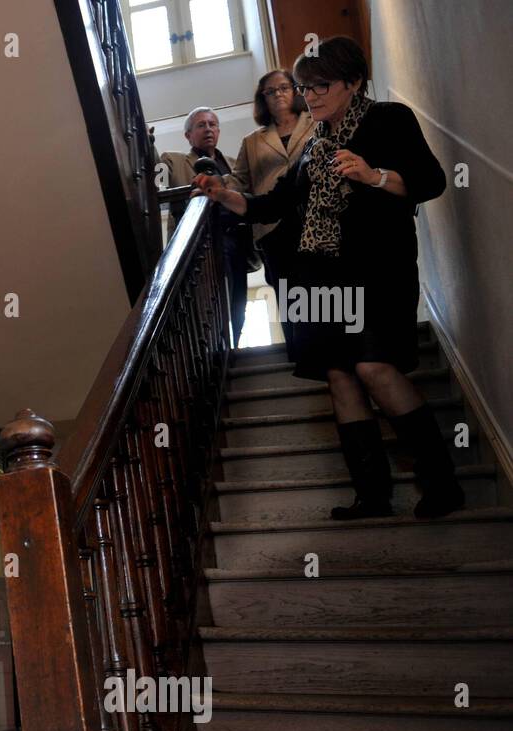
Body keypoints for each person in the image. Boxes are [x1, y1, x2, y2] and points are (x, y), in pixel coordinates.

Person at [193, 37, 459, 519]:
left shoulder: (388, 119)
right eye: (303, 87)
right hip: (317, 275)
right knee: (338, 374)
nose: (309, 96)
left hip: (379, 269)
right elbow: (274, 206)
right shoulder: (316, 146)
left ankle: (440, 482)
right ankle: (372, 496)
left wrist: (373, 175)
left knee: (374, 367)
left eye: (321, 86)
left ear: (353, 82)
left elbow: (431, 181)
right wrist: (223, 196)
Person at [228, 69, 317, 346]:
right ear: (262, 99)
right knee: (287, 288)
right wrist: (215, 187)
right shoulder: (252, 141)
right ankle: (298, 348)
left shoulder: (316, 122)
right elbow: (239, 180)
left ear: (295, 91)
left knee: (321, 284)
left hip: (316, 218)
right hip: (272, 225)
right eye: (270, 91)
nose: (278, 94)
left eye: (284, 87)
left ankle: (333, 347)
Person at [162, 107, 256, 346]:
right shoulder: (174, 161)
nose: (208, 129)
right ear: (188, 135)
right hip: (202, 246)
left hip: (238, 242)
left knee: (238, 302)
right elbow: (156, 178)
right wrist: (147, 143)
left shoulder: (236, 164)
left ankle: (233, 347)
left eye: (212, 124)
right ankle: (215, 348)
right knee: (210, 302)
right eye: (201, 125)